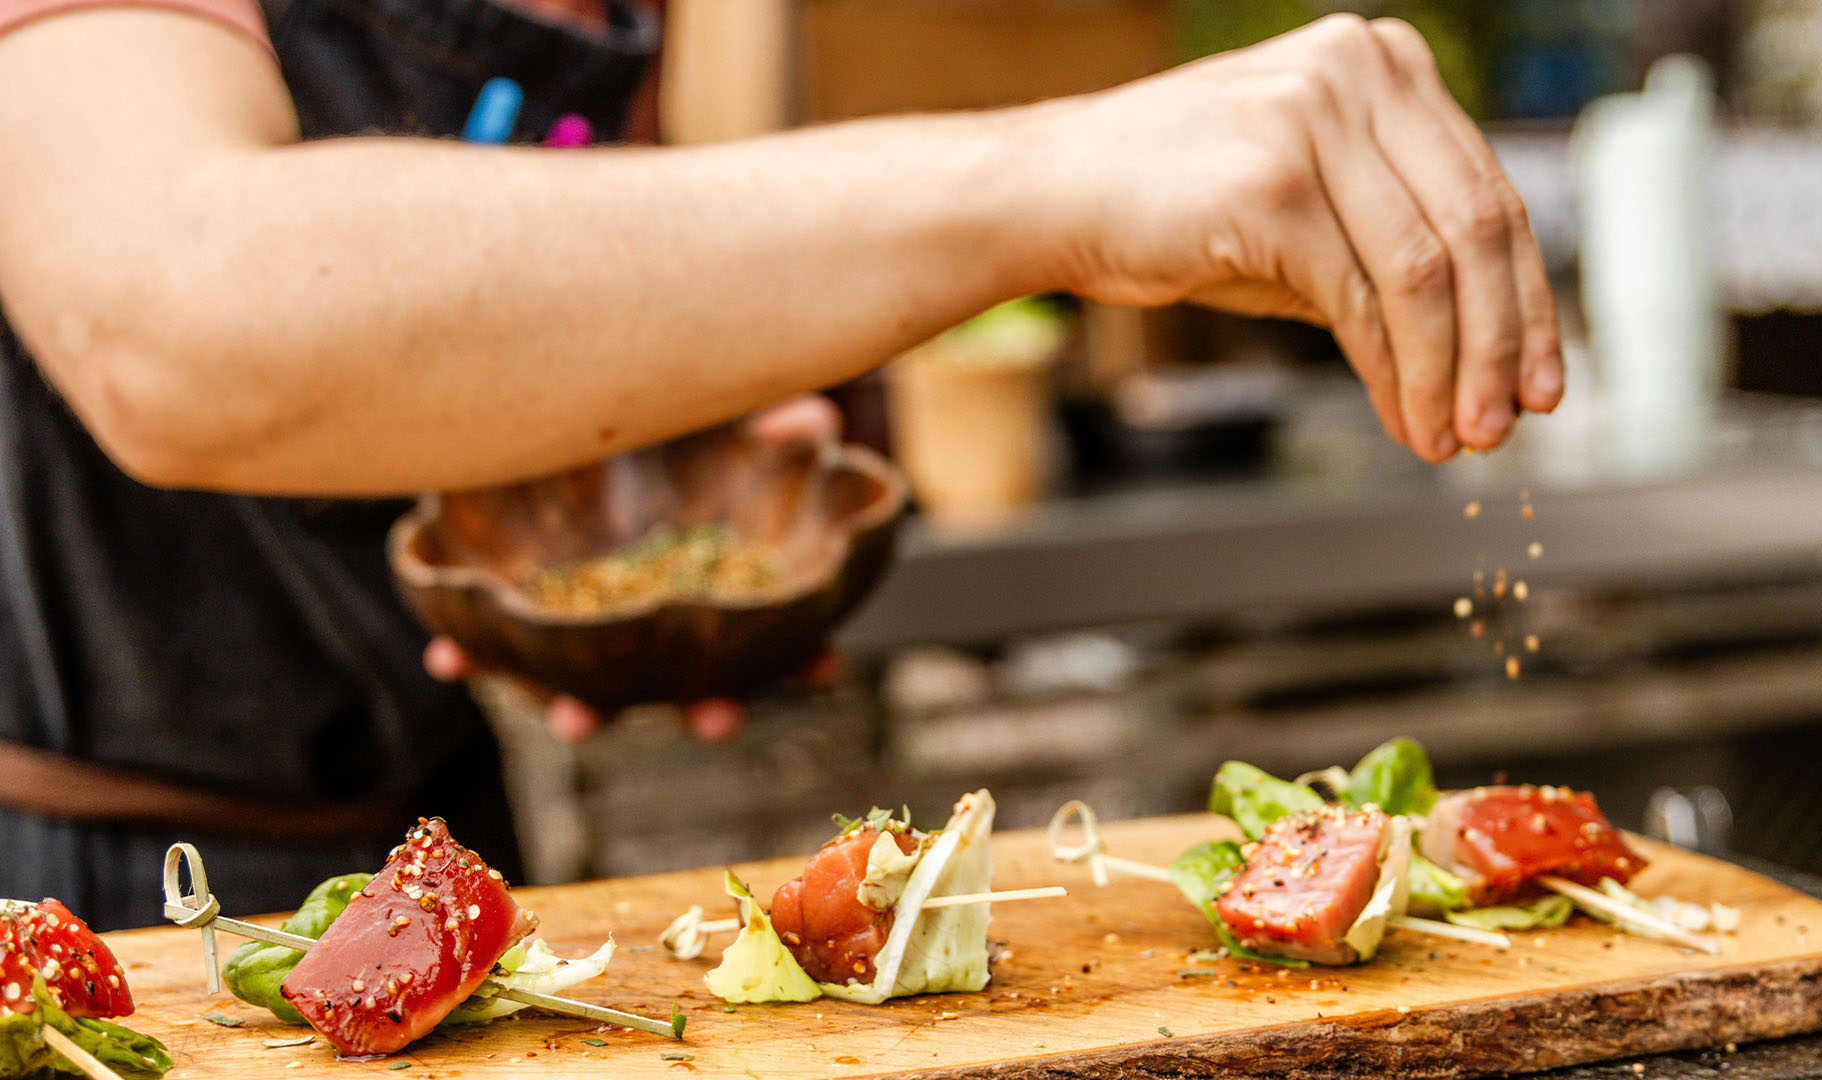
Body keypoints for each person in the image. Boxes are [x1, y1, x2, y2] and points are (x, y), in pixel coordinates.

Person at [0, 0, 1563, 929]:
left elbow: (514, 292)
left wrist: (642, 446)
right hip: (64, 886)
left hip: (437, 846)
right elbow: (167, 313)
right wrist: (1043, 174)